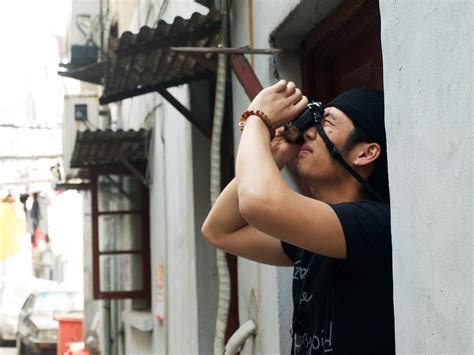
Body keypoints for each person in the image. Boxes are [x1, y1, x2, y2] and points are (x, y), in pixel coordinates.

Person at [201, 80, 395, 354]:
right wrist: (277, 152)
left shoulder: (374, 224)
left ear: (365, 153)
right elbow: (219, 230)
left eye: (327, 124)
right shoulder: (314, 236)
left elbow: (256, 202)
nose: (309, 133)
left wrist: (256, 119)